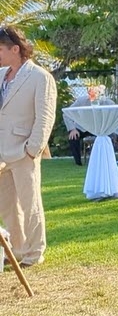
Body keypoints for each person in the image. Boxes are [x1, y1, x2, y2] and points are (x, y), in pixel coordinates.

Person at [0, 25, 57, 269]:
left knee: (30, 203)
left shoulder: (39, 76)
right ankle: (19, 252)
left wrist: (32, 149)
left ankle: (35, 253)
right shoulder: (1, 74)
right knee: (8, 206)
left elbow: (45, 117)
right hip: (2, 152)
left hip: (24, 150)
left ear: (16, 49)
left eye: (0, 49)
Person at [62, 85, 115, 166]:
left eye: (96, 92)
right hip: (83, 127)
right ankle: (78, 163)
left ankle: (107, 160)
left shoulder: (106, 101)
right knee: (73, 137)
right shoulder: (81, 101)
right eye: (91, 92)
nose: (93, 94)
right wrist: (72, 129)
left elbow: (115, 110)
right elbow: (66, 113)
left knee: (108, 136)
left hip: (99, 128)